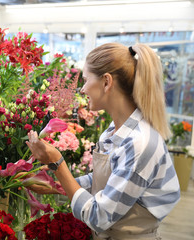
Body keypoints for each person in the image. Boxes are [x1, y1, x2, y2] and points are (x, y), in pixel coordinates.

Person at [26, 43, 180, 240]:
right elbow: (104, 181)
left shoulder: (139, 143)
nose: (82, 88)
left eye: (85, 79)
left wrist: (58, 164)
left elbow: (99, 217)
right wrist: (54, 186)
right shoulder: (113, 132)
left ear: (106, 82)